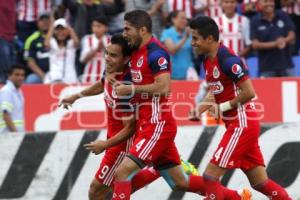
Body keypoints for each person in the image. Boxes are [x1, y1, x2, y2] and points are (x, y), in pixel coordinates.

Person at [110, 10, 249, 200]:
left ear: (142, 30)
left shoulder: (156, 53)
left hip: (157, 126)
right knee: (179, 182)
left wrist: (131, 90)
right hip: (148, 125)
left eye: (127, 29)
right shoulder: (136, 51)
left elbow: (164, 88)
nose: (124, 33)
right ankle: (238, 197)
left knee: (122, 173)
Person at [189, 15, 291, 199]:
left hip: (241, 124)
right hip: (239, 125)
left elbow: (249, 92)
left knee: (210, 177)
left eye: (195, 38)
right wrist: (200, 108)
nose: (192, 43)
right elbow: (216, 90)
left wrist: (223, 107)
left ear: (209, 38)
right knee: (260, 182)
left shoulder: (228, 60)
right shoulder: (207, 60)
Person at [60, 34, 161, 200]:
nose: (107, 58)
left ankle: (159, 169)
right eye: (107, 53)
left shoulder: (124, 87)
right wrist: (77, 95)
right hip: (113, 139)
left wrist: (105, 145)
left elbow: (130, 128)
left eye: (113, 55)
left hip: (121, 144)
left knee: (96, 191)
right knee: (114, 188)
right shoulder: (111, 70)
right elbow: (101, 84)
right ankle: (160, 168)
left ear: (126, 58)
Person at [251, 0, 296, 77]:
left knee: (295, 89)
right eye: (265, 1)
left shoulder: (282, 14)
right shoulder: (255, 20)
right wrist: (275, 44)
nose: (269, 4)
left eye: (271, 1)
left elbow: (292, 35)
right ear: (259, 4)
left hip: (286, 66)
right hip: (266, 68)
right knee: (265, 89)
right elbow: (255, 45)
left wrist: (284, 40)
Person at [160, 10, 197, 80]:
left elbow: (196, 52)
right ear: (173, 19)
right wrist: (185, 37)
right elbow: (172, 50)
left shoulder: (189, 33)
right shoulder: (167, 33)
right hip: (173, 75)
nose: (185, 21)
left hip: (189, 74)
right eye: (182, 18)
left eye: (186, 19)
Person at [44, 18, 79, 84]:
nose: (60, 32)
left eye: (63, 29)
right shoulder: (52, 43)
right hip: (53, 79)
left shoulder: (71, 44)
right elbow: (46, 44)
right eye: (58, 30)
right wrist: (52, 26)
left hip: (70, 80)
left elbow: (76, 42)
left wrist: (69, 28)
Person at [80, 16, 110, 83]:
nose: (96, 29)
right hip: (89, 76)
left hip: (105, 77)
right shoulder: (87, 39)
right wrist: (96, 49)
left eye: (99, 26)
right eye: (94, 26)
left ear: (106, 28)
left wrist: (105, 49)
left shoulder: (110, 40)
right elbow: (83, 60)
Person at [24, 13, 51, 84]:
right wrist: (44, 77)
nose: (45, 23)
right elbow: (30, 62)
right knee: (31, 80)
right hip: (40, 74)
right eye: (42, 20)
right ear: (37, 23)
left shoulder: (59, 35)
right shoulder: (31, 39)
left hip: (58, 72)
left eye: (47, 20)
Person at [0, 64, 25, 133]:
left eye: (22, 75)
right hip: (8, 135)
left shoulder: (18, 92)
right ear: (9, 76)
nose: (20, 78)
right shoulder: (7, 91)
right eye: (17, 75)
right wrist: (16, 134)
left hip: (13, 135)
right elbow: (6, 116)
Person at [0, 1, 17, 83]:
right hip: (2, 36)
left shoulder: (13, 2)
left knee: (12, 67)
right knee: (6, 69)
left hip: (12, 37)